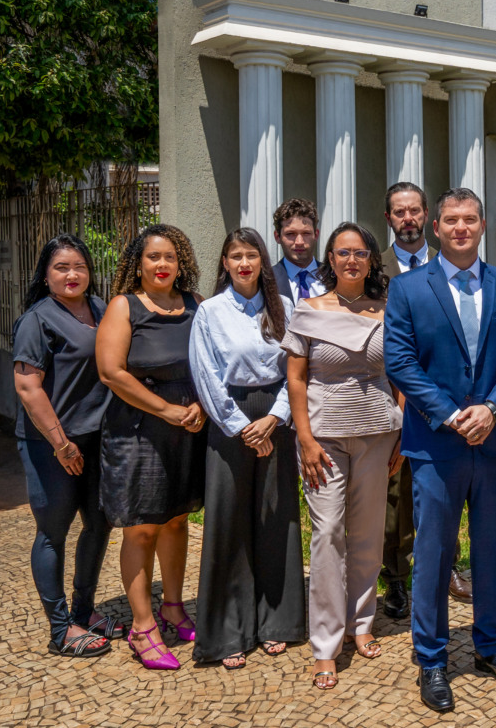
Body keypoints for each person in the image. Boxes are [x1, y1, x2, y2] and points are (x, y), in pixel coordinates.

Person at [385, 188, 496, 713]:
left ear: (482, 224)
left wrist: (491, 410)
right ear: (436, 226)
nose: (460, 228)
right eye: (451, 220)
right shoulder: (407, 289)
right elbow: (401, 362)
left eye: (469, 219)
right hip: (436, 444)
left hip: (494, 441)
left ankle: (490, 649)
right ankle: (432, 659)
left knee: (492, 550)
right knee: (433, 554)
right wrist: (452, 415)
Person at [282, 221, 403, 691]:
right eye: (341, 252)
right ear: (329, 260)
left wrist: (399, 427)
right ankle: (326, 644)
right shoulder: (308, 311)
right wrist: (305, 438)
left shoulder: (388, 311)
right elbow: (295, 379)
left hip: (377, 434)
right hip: (324, 439)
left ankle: (362, 622)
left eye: (359, 252)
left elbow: (401, 374)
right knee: (328, 534)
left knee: (369, 532)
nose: (350, 259)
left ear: (371, 259)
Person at [189, 227, 306, 668]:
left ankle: (277, 620)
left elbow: (296, 369)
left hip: (277, 414)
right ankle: (228, 631)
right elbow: (205, 374)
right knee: (230, 521)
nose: (244, 263)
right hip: (230, 419)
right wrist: (242, 427)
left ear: (262, 261)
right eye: (235, 256)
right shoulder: (211, 312)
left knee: (276, 520)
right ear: (224, 263)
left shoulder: (285, 309)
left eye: (251, 256)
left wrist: (275, 419)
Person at [95, 224, 206, 670]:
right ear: (137, 264)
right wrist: (166, 409)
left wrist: (198, 403)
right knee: (141, 526)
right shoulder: (125, 306)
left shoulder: (195, 305)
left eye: (170, 258)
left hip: (188, 426)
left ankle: (173, 606)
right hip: (138, 427)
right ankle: (143, 626)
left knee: (176, 522)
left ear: (181, 264)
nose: (162, 265)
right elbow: (111, 372)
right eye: (153, 258)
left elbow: (210, 361)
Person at [13, 234, 122, 658]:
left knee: (99, 525)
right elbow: (27, 387)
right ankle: (61, 630)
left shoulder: (101, 310)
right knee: (53, 534)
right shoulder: (36, 321)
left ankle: (84, 612)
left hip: (98, 440)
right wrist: (61, 444)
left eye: (79, 266)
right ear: (46, 274)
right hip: (51, 445)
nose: (72, 274)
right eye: (62, 268)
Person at [378, 182, 471, 616]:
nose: (408, 219)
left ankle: (447, 565)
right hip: (388, 396)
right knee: (394, 493)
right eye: (400, 212)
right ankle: (395, 578)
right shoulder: (374, 268)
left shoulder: (451, 265)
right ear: (389, 219)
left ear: (428, 219)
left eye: (415, 210)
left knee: (441, 487)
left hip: (443, 404)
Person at [272, 198, 325, 302]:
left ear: (316, 235)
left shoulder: (334, 277)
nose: (299, 242)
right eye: (290, 234)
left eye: (306, 233)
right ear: (277, 237)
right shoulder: (266, 280)